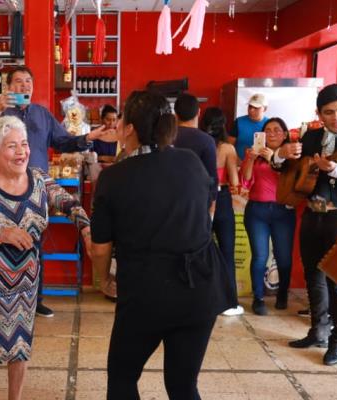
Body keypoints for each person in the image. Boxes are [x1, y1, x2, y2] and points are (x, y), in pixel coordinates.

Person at [90, 90, 236, 399]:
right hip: (200, 287)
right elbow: (205, 209)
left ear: (128, 128)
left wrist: (103, 280)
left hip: (147, 292)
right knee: (183, 386)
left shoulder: (114, 178)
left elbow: (100, 248)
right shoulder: (190, 161)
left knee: (123, 378)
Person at [0, 116, 91, 400]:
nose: (22, 151)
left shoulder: (39, 180)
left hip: (24, 283)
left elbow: (68, 202)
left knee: (20, 346)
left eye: (24, 144)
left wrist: (86, 228)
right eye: (12, 146)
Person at [0, 66, 116, 318]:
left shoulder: (41, 114)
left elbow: (64, 141)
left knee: (35, 246)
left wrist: (88, 136)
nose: (24, 86)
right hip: (3, 190)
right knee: (2, 243)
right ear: (8, 86)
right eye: (18, 82)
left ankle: (35, 300)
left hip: (37, 190)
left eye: (28, 81)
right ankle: (2, 299)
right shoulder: (0, 113)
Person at [274, 83, 337, 366]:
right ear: (318, 114)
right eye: (329, 113)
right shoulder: (311, 137)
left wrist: (336, 169)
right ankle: (318, 330)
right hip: (311, 213)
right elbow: (288, 168)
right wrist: (280, 155)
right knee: (313, 274)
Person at [240, 117, 296, 315]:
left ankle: (282, 293)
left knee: (284, 258)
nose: (272, 133)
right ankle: (259, 298)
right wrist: (251, 159)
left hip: (284, 211)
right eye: (268, 130)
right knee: (260, 256)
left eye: (277, 130)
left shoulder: (292, 155)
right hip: (257, 211)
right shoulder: (255, 153)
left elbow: (292, 180)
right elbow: (245, 181)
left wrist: (275, 157)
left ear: (285, 134)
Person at [201, 106, 243, 316]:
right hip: (223, 200)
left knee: (202, 250)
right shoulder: (228, 149)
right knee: (227, 251)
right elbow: (234, 181)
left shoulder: (197, 145)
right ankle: (229, 302)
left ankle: (203, 297)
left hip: (201, 200)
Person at [229, 93, 268, 161]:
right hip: (239, 164)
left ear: (264, 109)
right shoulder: (238, 122)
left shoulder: (270, 124)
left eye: (256, 108)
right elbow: (229, 146)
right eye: (250, 106)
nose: (251, 110)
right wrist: (237, 161)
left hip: (261, 166)